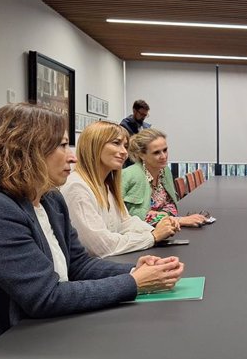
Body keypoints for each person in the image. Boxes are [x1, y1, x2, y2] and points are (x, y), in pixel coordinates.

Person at [0, 103, 185, 359]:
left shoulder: (50, 199)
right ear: (25, 150)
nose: (72, 157)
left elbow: (77, 265)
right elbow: (45, 297)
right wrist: (135, 283)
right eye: (61, 146)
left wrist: (134, 270)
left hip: (40, 333)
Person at [60, 121, 181, 258]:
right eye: (116, 143)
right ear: (95, 145)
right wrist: (152, 236)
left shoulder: (105, 185)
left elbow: (125, 222)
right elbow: (102, 246)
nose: (124, 152)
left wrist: (156, 230)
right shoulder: (77, 188)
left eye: (125, 146)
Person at [122, 128, 206, 227]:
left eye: (165, 150)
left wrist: (165, 215)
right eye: (156, 152)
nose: (163, 156)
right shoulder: (129, 175)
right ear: (142, 155)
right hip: (139, 236)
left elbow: (171, 204)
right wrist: (178, 220)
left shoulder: (164, 170)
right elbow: (132, 217)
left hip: (163, 230)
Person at [120, 99, 151, 168]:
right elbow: (129, 145)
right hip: (130, 162)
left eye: (145, 115)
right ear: (134, 111)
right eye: (142, 114)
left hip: (143, 161)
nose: (143, 117)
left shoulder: (146, 126)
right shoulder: (124, 125)